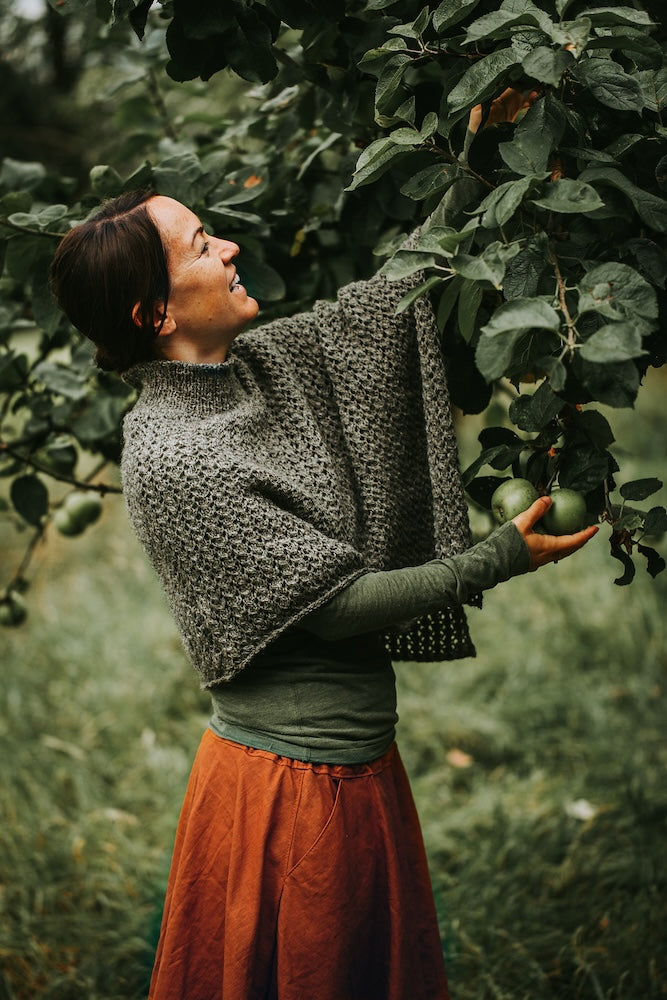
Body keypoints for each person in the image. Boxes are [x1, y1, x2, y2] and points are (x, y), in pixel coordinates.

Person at [50, 189, 597, 1000]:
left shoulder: (265, 367)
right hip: (294, 794)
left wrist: (479, 161)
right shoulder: (174, 457)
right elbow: (332, 606)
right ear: (155, 313)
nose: (230, 248)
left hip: (355, 771)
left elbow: (386, 302)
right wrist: (493, 560)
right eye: (202, 246)